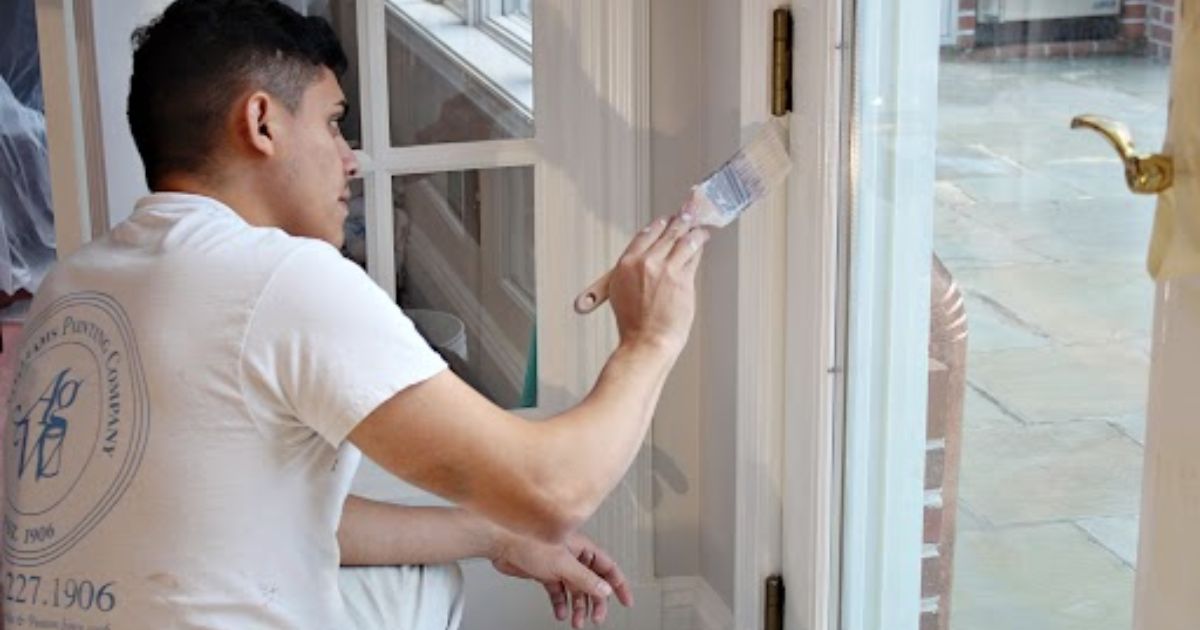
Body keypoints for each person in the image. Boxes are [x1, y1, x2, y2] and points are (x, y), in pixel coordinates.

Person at [1, 1, 711, 629]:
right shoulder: (279, 278)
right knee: (416, 591)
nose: (351, 158)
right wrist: (649, 338)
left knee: (416, 568)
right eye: (335, 124)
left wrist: (494, 535)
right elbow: (554, 491)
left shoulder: (73, 284)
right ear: (260, 122)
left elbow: (279, 520)